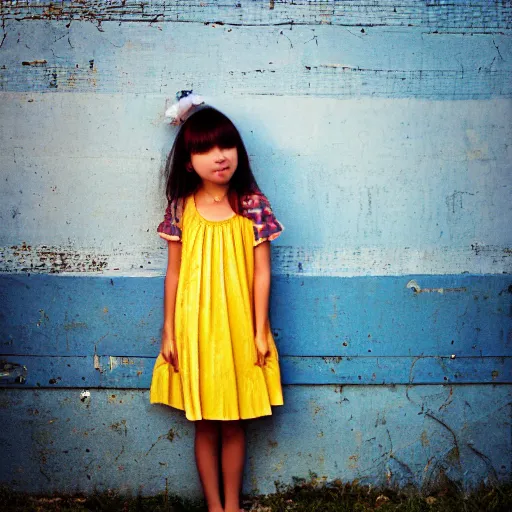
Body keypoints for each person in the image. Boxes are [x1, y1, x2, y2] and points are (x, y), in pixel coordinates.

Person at [149, 105, 284, 512]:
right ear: (189, 163)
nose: (220, 155)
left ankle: (234, 507)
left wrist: (260, 330)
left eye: (227, 145)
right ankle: (214, 507)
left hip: (240, 327)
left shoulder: (253, 205)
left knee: (235, 423)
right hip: (195, 331)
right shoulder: (180, 209)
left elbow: (262, 274)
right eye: (207, 150)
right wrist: (168, 331)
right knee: (204, 424)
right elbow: (173, 275)